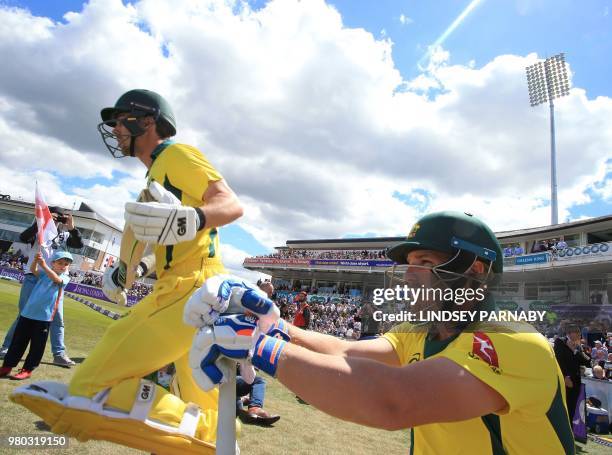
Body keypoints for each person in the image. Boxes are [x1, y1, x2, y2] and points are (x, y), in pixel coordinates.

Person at [190, 211, 576, 454]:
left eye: (425, 262)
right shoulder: (419, 331)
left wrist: (258, 347)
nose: (410, 274)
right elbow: (344, 353)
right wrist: (272, 323)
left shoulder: (514, 342)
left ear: (475, 272)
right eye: (409, 263)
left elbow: (394, 401)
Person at [12, 89, 246, 454]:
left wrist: (195, 218)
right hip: (191, 284)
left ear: (146, 120)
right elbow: (168, 242)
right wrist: (126, 272)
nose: (115, 128)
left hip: (191, 286)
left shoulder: (177, 154)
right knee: (210, 409)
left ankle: (199, 439)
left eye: (120, 119)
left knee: (89, 388)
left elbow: (230, 204)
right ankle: (209, 439)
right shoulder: (155, 176)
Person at [1, 208, 82, 367]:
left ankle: (58, 354)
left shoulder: (64, 235)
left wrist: (72, 228)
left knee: (57, 318)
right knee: (23, 315)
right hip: (34, 277)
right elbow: (23, 237)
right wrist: (42, 221)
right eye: (54, 216)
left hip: (53, 281)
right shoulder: (39, 231)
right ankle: (6, 347)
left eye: (59, 218)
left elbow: (78, 244)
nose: (57, 220)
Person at [0, 251, 72, 380]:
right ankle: (7, 367)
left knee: (36, 346)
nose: (63, 266)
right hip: (27, 314)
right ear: (53, 263)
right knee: (18, 342)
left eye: (66, 264)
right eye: (60, 263)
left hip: (44, 317)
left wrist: (43, 265)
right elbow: (33, 270)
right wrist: (36, 260)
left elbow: (56, 279)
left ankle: (27, 369)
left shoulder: (65, 278)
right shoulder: (44, 273)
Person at [554, 325, 591, 424]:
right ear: (570, 333)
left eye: (579, 333)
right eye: (577, 333)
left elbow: (588, 362)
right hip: (564, 380)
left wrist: (579, 350)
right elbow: (559, 360)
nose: (579, 335)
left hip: (575, 382)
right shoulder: (560, 342)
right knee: (562, 407)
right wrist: (566, 377)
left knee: (572, 409)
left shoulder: (580, 346)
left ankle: (569, 432)